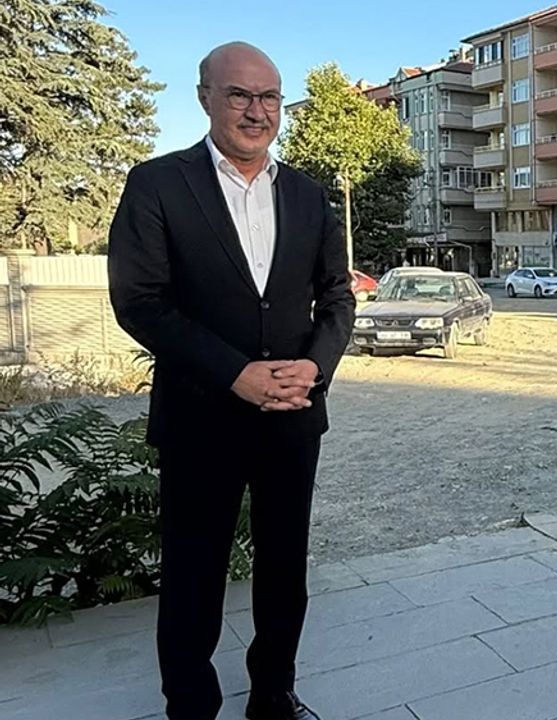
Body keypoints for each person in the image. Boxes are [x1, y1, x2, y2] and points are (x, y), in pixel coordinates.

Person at [108, 42, 354, 720]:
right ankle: (190, 706)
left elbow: (337, 297)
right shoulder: (157, 184)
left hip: (293, 416)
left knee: (285, 571)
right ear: (205, 98)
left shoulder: (308, 194)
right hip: (200, 418)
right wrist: (234, 374)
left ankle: (273, 694)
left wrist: (316, 366)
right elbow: (140, 302)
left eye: (269, 97)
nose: (256, 111)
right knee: (194, 575)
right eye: (240, 95)